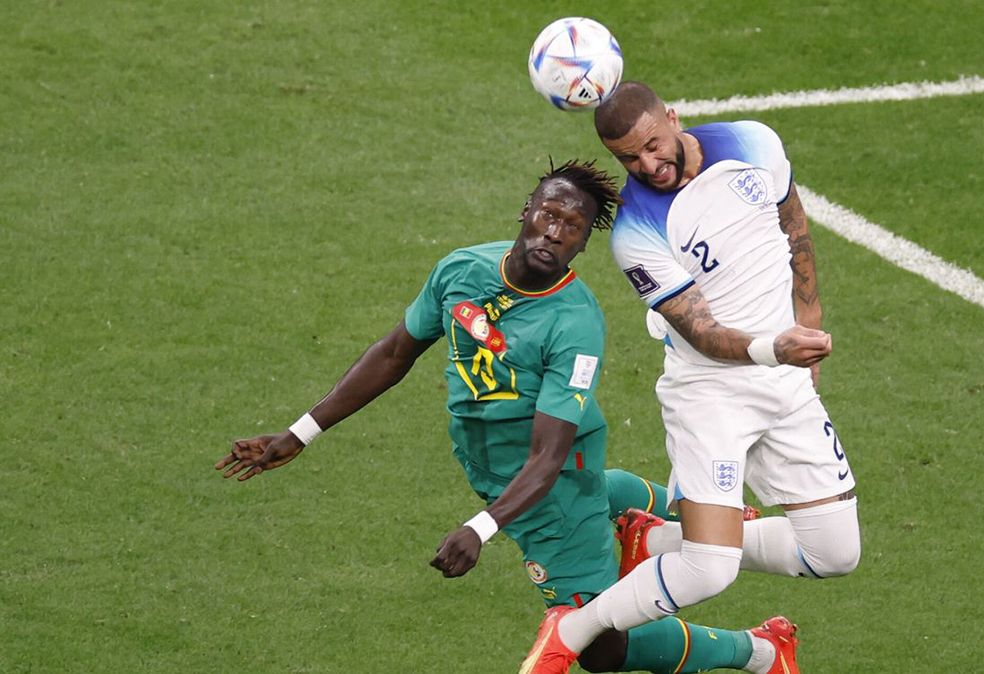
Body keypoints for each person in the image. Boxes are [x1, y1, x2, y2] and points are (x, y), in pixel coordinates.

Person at [214, 160, 799, 674]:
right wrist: (300, 433)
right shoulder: (461, 269)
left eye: (571, 228)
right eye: (548, 214)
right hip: (499, 465)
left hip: (547, 483)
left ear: (581, 246)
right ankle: (666, 511)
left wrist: (479, 528)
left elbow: (546, 460)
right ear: (527, 210)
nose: (554, 232)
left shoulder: (574, 323)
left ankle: (760, 652)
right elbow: (395, 352)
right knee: (591, 497)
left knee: (598, 646)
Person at [521, 82, 861, 672]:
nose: (648, 165)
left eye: (654, 145)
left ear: (674, 119)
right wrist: (773, 347)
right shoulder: (634, 234)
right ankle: (571, 630)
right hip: (711, 392)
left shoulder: (754, 141)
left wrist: (808, 327)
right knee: (710, 568)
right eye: (630, 158)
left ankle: (648, 542)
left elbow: (795, 227)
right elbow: (702, 333)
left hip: (783, 375)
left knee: (834, 553)